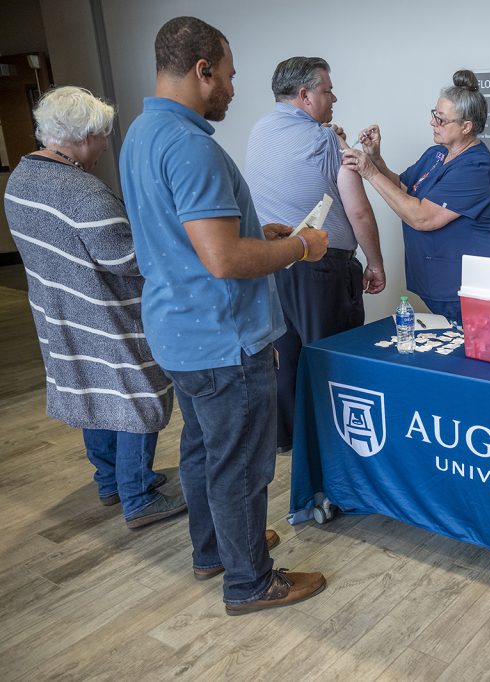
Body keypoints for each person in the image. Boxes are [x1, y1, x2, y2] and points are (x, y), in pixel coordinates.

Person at [119, 16, 328, 614]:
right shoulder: (191, 147)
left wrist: (265, 232)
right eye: (229, 77)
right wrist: (300, 247)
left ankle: (216, 549)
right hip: (223, 337)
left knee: (204, 449)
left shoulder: (142, 133)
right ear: (202, 69)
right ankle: (251, 581)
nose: (234, 90)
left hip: (177, 330)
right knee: (241, 465)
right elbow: (225, 258)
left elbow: (190, 235)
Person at [4, 86, 186, 530]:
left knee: (93, 395)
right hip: (107, 316)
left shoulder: (20, 179)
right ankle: (138, 496)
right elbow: (126, 259)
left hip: (59, 311)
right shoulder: (83, 192)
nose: (105, 145)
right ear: (84, 137)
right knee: (135, 397)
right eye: (102, 136)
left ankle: (110, 481)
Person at [246, 56, 385, 454]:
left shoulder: (260, 131)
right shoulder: (327, 143)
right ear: (305, 95)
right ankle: (334, 441)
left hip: (271, 265)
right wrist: (375, 263)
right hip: (320, 269)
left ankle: (287, 438)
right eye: (327, 90)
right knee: (331, 357)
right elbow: (358, 210)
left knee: (285, 354)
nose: (334, 96)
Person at [342, 69, 490, 323]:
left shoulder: (476, 169)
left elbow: (422, 218)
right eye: (434, 114)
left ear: (466, 127)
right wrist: (376, 158)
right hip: (442, 284)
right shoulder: (437, 154)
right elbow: (402, 187)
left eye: (441, 119)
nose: (432, 123)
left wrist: (369, 171)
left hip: (474, 289)